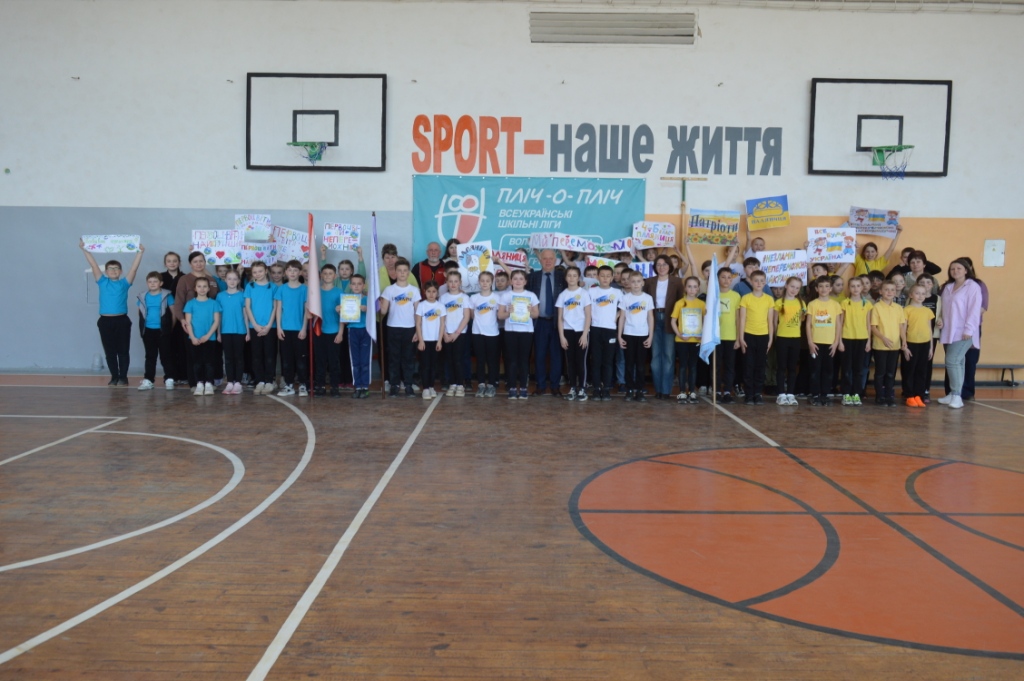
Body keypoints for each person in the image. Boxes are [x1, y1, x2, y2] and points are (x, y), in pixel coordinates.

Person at [80, 239, 144, 386]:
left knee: (123, 351)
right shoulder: (102, 281)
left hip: (122, 321)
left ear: (121, 271)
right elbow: (93, 265)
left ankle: (123, 377)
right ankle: (114, 376)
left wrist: (140, 253)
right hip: (105, 321)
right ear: (106, 271)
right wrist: (85, 250)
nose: (113, 270)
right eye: (110, 268)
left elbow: (134, 269)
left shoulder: (124, 283)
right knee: (110, 352)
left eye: (116, 268)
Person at [172, 251, 222, 390]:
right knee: (193, 356)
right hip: (191, 324)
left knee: (210, 356)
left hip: (210, 325)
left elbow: (217, 300)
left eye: (201, 261)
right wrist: (182, 319)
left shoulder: (211, 280)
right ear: (190, 264)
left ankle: (209, 382)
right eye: (195, 261)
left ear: (205, 262)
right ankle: (195, 383)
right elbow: (178, 302)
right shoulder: (184, 279)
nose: (198, 264)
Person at [938, 258, 983, 410]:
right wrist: (940, 320)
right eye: (952, 269)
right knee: (959, 363)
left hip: (964, 332)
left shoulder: (972, 286)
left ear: (966, 270)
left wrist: (969, 330)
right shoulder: (948, 287)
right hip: (948, 331)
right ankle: (953, 393)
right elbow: (943, 308)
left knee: (952, 361)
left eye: (958, 268)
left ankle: (957, 396)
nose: (955, 271)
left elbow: (974, 310)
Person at [526, 249, 568, 395]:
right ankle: (540, 385)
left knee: (557, 356)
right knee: (539, 355)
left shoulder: (563, 277)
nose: (548, 261)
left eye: (551, 258)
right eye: (545, 258)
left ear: (555, 260)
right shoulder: (532, 277)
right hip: (539, 322)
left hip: (558, 322)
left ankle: (555, 386)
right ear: (540, 260)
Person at [644, 255, 684, 400]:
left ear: (670, 266)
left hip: (669, 320)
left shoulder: (677, 282)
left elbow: (681, 303)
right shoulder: (649, 281)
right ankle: (658, 390)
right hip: (653, 318)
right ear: (655, 267)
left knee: (668, 356)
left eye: (664, 264)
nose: (661, 267)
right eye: (658, 264)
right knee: (655, 357)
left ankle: (666, 390)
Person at [379, 258, 421, 398]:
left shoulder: (414, 291)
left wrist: (418, 331)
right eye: (399, 271)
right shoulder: (389, 290)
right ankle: (394, 385)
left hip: (409, 328)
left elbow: (418, 312)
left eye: (405, 271)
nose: (402, 273)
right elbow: (383, 311)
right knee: (394, 358)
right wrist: (377, 304)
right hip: (393, 328)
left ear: (408, 273)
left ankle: (408, 384)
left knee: (408, 358)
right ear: (395, 272)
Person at [498, 269, 540, 400]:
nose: (518, 281)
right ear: (511, 281)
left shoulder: (531, 296)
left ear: (525, 281)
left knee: (523, 361)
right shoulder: (506, 296)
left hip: (526, 332)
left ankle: (523, 388)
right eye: (515, 278)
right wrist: (509, 312)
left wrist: (530, 311)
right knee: (511, 361)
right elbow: (500, 316)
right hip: (510, 332)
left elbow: (536, 314)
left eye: (521, 279)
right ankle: (511, 387)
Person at [737, 271, 775, 405]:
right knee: (748, 365)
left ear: (765, 283)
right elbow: (742, 319)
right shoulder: (746, 298)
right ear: (751, 282)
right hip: (748, 335)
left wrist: (770, 338)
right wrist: (741, 338)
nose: (759, 283)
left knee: (760, 365)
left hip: (763, 336)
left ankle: (757, 393)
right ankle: (749, 394)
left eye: (762, 281)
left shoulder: (769, 299)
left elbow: (770, 321)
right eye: (756, 280)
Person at [806, 276, 844, 406]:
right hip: (815, 343)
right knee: (815, 369)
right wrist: (810, 342)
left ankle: (825, 394)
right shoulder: (812, 304)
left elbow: (838, 325)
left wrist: (836, 342)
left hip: (830, 343)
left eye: (827, 286)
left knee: (828, 370)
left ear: (831, 288)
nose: (824, 289)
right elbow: (808, 325)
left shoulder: (835, 305)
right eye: (821, 286)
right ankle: (815, 394)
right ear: (816, 289)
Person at [274, 260, 310, 397]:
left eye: (295, 270)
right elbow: (278, 309)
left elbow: (306, 310)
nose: (292, 273)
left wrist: (304, 328)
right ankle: (289, 385)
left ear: (300, 272)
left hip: (299, 330)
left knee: (301, 359)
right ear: (286, 273)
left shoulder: (304, 289)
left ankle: (303, 385)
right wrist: (279, 328)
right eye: (290, 270)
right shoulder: (281, 289)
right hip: (285, 330)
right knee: (287, 359)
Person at [617, 271, 655, 403]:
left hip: (643, 335)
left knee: (640, 365)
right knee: (629, 364)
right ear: (629, 283)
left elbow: (650, 317)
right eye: (633, 281)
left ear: (643, 283)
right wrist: (619, 336)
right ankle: (629, 389)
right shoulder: (625, 298)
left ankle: (639, 390)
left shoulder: (648, 298)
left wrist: (650, 336)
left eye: (638, 281)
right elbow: (622, 317)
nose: (636, 284)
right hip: (628, 334)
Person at [556, 267, 592, 401]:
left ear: (578, 278)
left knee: (581, 361)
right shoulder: (562, 295)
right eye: (569, 275)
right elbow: (560, 318)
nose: (571, 278)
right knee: (570, 362)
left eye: (574, 275)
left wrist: (584, 334)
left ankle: (582, 388)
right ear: (566, 278)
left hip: (581, 332)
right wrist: (562, 336)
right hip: (567, 332)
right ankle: (572, 387)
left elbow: (588, 316)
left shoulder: (584, 294)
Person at [587, 266, 622, 402]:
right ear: (597, 277)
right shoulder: (591, 291)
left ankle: (606, 389)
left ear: (612, 278)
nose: (605, 278)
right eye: (602, 275)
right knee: (596, 360)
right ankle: (596, 388)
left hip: (610, 329)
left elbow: (623, 307)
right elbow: (586, 308)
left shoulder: (617, 292)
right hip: (595, 328)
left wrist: (616, 316)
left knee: (608, 361)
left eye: (608, 276)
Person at [135, 271, 174, 391]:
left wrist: (169, 327)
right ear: (147, 283)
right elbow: (140, 313)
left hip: (163, 331)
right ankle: (148, 380)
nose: (152, 284)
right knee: (150, 356)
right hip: (148, 331)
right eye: (150, 282)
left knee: (166, 356)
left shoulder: (167, 295)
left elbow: (173, 313)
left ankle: (169, 378)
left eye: (155, 281)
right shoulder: (142, 296)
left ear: (161, 283)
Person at [870, 281, 906, 407]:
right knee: (880, 372)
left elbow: (901, 327)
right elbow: (873, 327)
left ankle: (889, 396)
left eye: (892, 290)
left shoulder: (898, 308)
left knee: (891, 372)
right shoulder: (876, 307)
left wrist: (904, 341)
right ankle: (880, 396)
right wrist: (883, 338)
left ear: (895, 292)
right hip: (880, 345)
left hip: (895, 346)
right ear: (881, 291)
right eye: (886, 289)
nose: (889, 292)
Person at [244, 261, 278, 395]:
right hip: (255, 327)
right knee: (256, 355)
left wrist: (269, 325)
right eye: (254, 272)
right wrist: (255, 325)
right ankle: (260, 381)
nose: (257, 274)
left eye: (260, 271)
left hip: (270, 327)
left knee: (270, 355)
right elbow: (247, 307)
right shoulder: (250, 287)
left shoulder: (273, 287)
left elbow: (275, 307)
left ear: (266, 271)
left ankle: (269, 381)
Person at [183, 276, 221, 396]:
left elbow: (216, 321)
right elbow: (188, 322)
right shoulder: (190, 304)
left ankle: (209, 383)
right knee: (197, 363)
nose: (202, 289)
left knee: (209, 362)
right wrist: (193, 337)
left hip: (210, 338)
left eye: (205, 286)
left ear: (209, 288)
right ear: (195, 288)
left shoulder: (214, 303)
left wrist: (208, 335)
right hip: (195, 339)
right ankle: (199, 384)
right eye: (199, 286)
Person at [670, 276, 705, 404]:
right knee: (683, 365)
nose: (692, 289)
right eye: (689, 286)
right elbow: (673, 321)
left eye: (695, 287)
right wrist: (679, 334)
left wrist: (702, 334)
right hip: (682, 340)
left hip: (696, 339)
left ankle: (692, 391)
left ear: (698, 289)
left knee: (693, 366)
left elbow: (705, 322)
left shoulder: (701, 304)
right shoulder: (680, 303)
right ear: (685, 288)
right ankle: (682, 392)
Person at [839, 277, 873, 406]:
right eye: (852, 286)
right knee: (847, 368)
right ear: (849, 288)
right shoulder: (844, 303)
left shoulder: (867, 304)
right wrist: (840, 341)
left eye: (858, 286)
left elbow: (868, 324)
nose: (855, 288)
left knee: (859, 368)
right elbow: (840, 323)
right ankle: (846, 393)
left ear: (862, 287)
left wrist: (869, 341)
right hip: (847, 338)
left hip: (862, 339)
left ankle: (856, 393)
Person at [773, 277, 805, 406]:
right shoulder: (779, 302)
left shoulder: (802, 304)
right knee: (781, 366)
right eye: (792, 286)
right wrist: (776, 337)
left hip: (795, 338)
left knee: (792, 367)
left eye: (797, 288)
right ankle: (781, 394)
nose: (794, 290)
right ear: (786, 286)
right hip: (782, 338)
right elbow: (774, 322)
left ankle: (791, 394)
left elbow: (801, 321)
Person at [314, 264, 345, 397]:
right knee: (320, 360)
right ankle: (320, 386)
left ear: (335, 276)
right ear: (321, 275)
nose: (327, 276)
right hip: (318, 331)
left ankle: (334, 387)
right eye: (325, 273)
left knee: (334, 362)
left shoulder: (339, 292)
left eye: (330, 273)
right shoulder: (315, 292)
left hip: (334, 332)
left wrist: (340, 332)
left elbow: (344, 315)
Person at [902, 284, 935, 408]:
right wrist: (904, 346)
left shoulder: (928, 311)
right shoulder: (907, 310)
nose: (920, 296)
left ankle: (918, 395)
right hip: (911, 343)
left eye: (923, 293)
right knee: (909, 370)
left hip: (925, 344)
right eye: (917, 293)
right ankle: (909, 395)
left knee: (922, 371)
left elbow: (930, 330)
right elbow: (903, 328)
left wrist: (931, 347)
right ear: (911, 295)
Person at [470, 271, 501, 398]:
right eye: (482, 280)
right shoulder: (474, 298)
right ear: (479, 282)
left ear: (491, 282)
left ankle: (491, 385)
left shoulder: (497, 298)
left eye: (487, 281)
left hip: (492, 333)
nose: (485, 283)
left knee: (492, 361)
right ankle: (481, 384)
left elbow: (499, 315)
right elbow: (472, 315)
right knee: (480, 360)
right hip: (477, 333)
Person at [339, 274, 371, 399]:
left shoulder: (368, 299)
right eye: (354, 284)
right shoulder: (346, 299)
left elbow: (377, 312)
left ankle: (365, 387)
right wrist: (340, 311)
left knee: (365, 360)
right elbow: (345, 321)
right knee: (355, 360)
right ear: (350, 285)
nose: (356, 286)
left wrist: (367, 309)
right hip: (352, 330)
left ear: (364, 286)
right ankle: (357, 386)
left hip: (366, 331)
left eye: (359, 284)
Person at [440, 271, 471, 397]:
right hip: (446, 334)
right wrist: (444, 334)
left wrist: (456, 333)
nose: (453, 284)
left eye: (456, 281)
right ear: (447, 282)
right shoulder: (443, 298)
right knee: (449, 360)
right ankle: (452, 383)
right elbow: (441, 318)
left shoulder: (465, 298)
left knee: (458, 360)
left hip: (459, 334)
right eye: (450, 281)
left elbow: (466, 317)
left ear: (460, 283)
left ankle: (460, 385)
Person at [217, 269, 248, 395]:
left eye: (235, 279)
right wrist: (218, 333)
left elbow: (245, 315)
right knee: (228, 357)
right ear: (225, 280)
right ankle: (230, 381)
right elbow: (218, 316)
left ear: (239, 280)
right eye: (229, 279)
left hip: (240, 331)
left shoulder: (242, 295)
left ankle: (238, 382)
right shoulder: (220, 296)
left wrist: (248, 332)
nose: (232, 281)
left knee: (239, 357)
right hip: (225, 331)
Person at [160, 251, 187, 385]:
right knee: (168, 348)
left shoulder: (185, 277)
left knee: (182, 347)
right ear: (165, 263)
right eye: (169, 261)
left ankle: (184, 375)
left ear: (179, 263)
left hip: (182, 316)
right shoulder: (160, 277)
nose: (172, 263)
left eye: (175, 261)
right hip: (165, 317)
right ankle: (171, 375)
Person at [715, 268, 742, 404]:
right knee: (716, 365)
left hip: (731, 336)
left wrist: (738, 338)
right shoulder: (713, 295)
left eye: (729, 277)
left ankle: (727, 391)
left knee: (730, 366)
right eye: (723, 277)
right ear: (718, 279)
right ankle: (716, 391)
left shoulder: (736, 296)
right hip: (716, 337)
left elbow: (738, 318)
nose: (726, 280)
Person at [415, 282, 446, 399]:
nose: (431, 294)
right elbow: (418, 324)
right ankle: (425, 388)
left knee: (433, 366)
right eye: (429, 291)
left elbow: (442, 324)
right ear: (424, 292)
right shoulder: (421, 306)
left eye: (434, 291)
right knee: (425, 365)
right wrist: (421, 340)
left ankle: (431, 386)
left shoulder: (441, 306)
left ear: (437, 292)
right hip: (425, 341)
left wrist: (439, 341)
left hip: (435, 340)